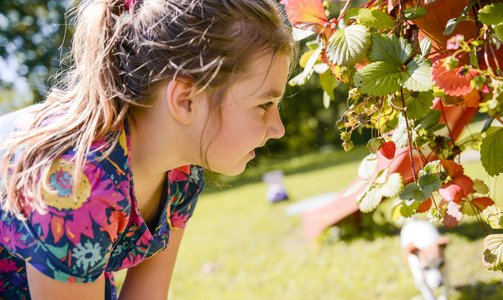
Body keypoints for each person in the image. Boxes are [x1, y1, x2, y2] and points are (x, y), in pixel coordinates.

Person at [0, 0, 296, 298]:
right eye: (264, 105)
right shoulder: (75, 185)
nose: (278, 128)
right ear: (185, 100)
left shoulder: (183, 171)